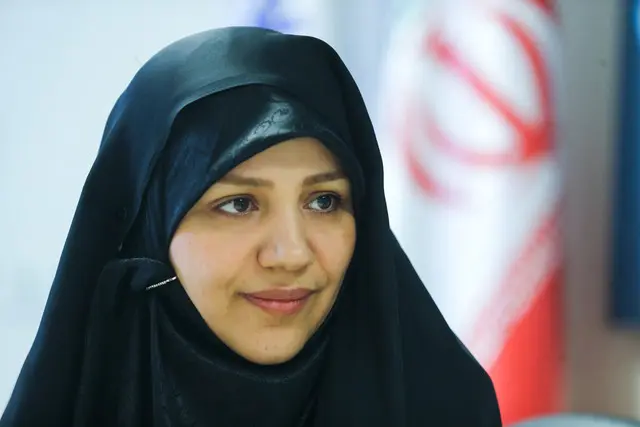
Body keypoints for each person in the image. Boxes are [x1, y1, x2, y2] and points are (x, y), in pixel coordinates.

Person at [0, 27, 502, 426]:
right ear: (147, 224)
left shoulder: (446, 409)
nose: (291, 254)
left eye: (324, 201)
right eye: (238, 204)